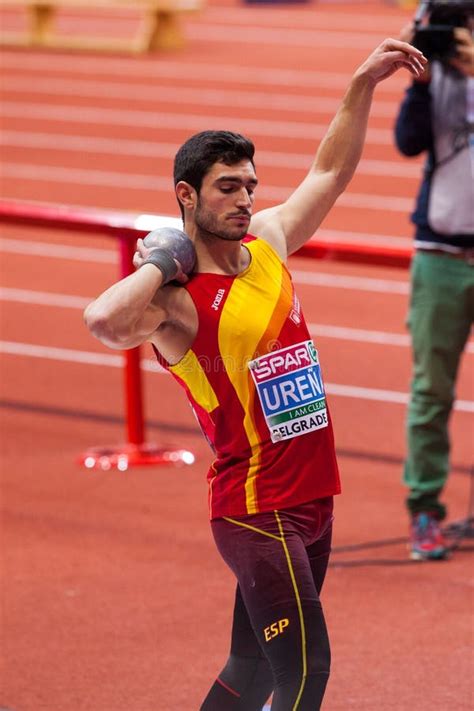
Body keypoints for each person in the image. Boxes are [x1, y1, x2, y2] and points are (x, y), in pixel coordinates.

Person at [84, 39, 425, 711]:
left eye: (249, 185)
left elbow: (329, 173)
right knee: (308, 671)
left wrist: (361, 84)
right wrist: (160, 259)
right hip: (256, 506)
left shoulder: (266, 242)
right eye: (227, 187)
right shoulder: (176, 303)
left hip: (314, 496)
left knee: (252, 667)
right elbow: (102, 320)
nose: (245, 199)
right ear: (187, 195)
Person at [394, 3, 474, 562]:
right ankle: (425, 509)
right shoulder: (435, 75)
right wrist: (419, 82)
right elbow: (407, 140)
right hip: (441, 256)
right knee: (431, 392)